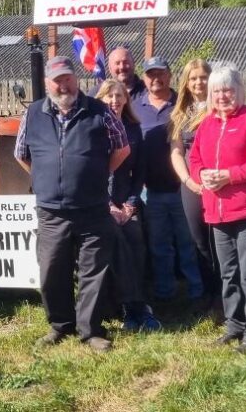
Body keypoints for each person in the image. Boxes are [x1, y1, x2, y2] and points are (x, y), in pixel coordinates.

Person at [15, 56, 130, 352]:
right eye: (57, 80)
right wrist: (45, 177)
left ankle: (90, 330)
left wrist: (98, 172)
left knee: (93, 271)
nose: (63, 84)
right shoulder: (34, 115)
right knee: (52, 270)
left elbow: (122, 147)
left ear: (75, 79)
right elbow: (21, 154)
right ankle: (60, 325)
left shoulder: (100, 111)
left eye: (67, 78)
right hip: (51, 211)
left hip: (92, 207)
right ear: (47, 83)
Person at [188, 66, 246, 353]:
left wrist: (231, 175)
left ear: (238, 90)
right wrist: (201, 175)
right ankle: (234, 324)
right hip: (217, 210)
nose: (222, 95)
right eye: (216, 91)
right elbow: (195, 158)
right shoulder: (207, 124)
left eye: (227, 89)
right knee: (227, 272)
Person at [134, 56, 204, 304]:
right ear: (144, 78)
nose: (156, 78)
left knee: (188, 244)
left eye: (160, 73)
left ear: (170, 75)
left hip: (183, 189)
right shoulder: (135, 105)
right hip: (150, 190)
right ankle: (165, 294)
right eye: (150, 74)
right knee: (159, 245)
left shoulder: (182, 104)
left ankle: (197, 292)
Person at [95, 80, 160, 332]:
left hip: (127, 201)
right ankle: (116, 304)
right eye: (109, 96)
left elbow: (140, 170)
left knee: (135, 240)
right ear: (100, 99)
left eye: (119, 95)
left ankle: (138, 305)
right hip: (101, 203)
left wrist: (130, 205)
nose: (114, 100)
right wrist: (108, 204)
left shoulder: (133, 129)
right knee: (110, 247)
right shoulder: (93, 127)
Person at [169, 58, 220, 309]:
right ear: (186, 83)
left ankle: (225, 294)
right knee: (198, 240)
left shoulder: (218, 106)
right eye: (193, 78)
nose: (199, 82)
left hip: (217, 181)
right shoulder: (180, 114)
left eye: (203, 77)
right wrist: (188, 180)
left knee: (219, 239)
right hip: (191, 185)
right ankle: (209, 292)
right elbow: (177, 152)